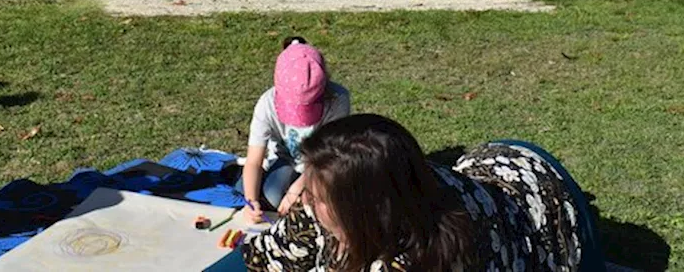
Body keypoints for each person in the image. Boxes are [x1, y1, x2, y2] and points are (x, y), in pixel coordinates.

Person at [244, 114, 601, 272]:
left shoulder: (427, 256)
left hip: (542, 193)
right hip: (485, 165)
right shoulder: (327, 196)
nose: (305, 201)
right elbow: (262, 256)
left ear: (367, 213)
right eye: (309, 187)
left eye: (319, 199)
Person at [239, 38, 351, 225]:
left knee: (325, 205)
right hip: (286, 161)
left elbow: (330, 157)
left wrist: (296, 190)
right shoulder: (266, 104)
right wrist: (250, 202)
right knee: (272, 197)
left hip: (321, 164)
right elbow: (253, 160)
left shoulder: (338, 100)